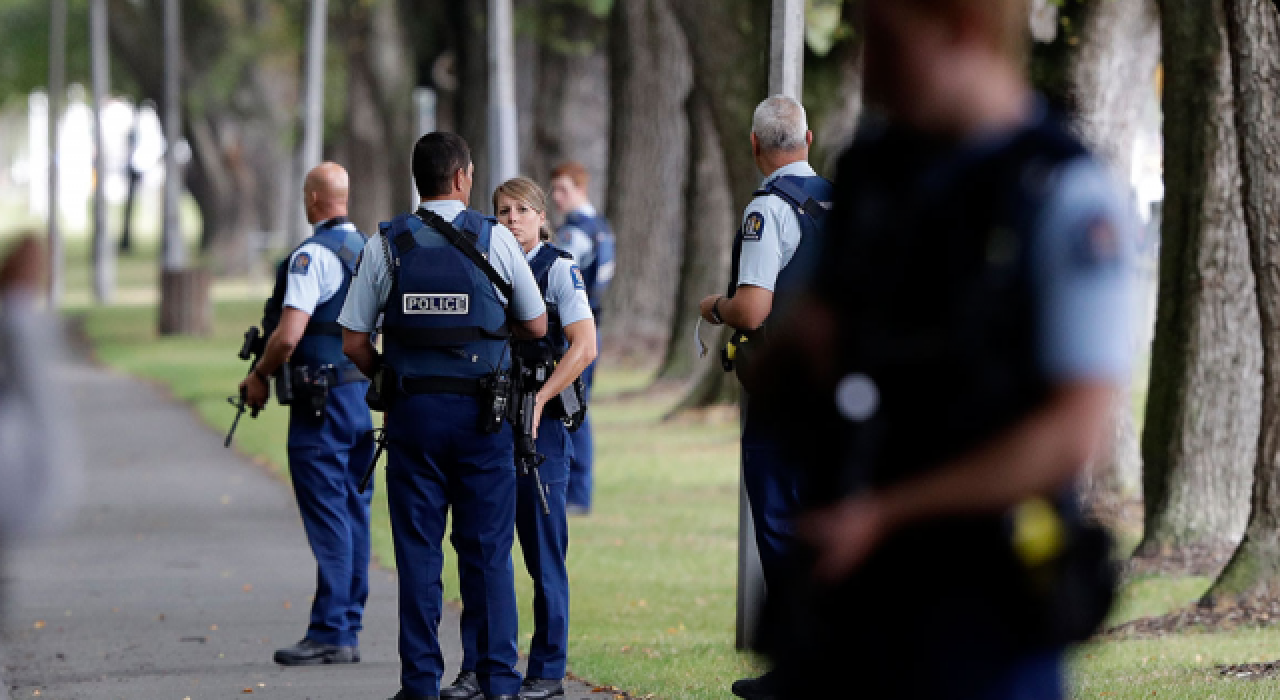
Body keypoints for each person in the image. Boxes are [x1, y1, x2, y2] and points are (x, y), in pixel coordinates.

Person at [757, 1, 1136, 698]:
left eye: (885, 41)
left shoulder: (1063, 192)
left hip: (983, 610)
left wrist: (889, 515)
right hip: (851, 602)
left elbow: (1071, 437)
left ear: (960, 30)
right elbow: (807, 347)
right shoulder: (873, 176)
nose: (867, 69)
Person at [339, 132, 548, 700]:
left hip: (413, 419)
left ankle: (420, 685)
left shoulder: (386, 244)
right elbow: (535, 325)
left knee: (417, 553)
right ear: (463, 178)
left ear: (418, 179)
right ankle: (499, 680)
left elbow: (354, 339)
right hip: (484, 418)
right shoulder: (497, 239)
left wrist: (390, 376)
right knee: (487, 553)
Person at [695, 95, 833, 700]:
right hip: (844, 392)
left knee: (780, 523)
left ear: (756, 146)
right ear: (809, 136)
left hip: (788, 395)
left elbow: (753, 307)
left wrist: (715, 308)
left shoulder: (768, 211)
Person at [442, 177, 597, 700]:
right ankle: (480, 667)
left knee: (542, 554)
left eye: (521, 210)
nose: (510, 220)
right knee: (482, 550)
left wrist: (543, 400)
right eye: (502, 211)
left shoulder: (558, 268)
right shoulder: (484, 266)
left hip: (541, 428)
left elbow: (584, 346)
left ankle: (548, 671)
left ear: (541, 217)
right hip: (488, 421)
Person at [237, 162, 375, 666]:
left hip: (323, 405)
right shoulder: (372, 251)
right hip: (363, 397)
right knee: (354, 511)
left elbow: (290, 333)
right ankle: (348, 624)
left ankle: (331, 630)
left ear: (313, 199)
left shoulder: (310, 256)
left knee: (329, 513)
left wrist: (260, 375)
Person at [549, 162, 613, 515]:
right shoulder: (601, 228)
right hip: (592, 328)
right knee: (577, 406)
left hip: (575, 331)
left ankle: (576, 493)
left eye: (563, 190)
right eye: (554, 190)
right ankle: (576, 491)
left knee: (573, 409)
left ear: (580, 188)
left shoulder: (576, 233)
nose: (557, 197)